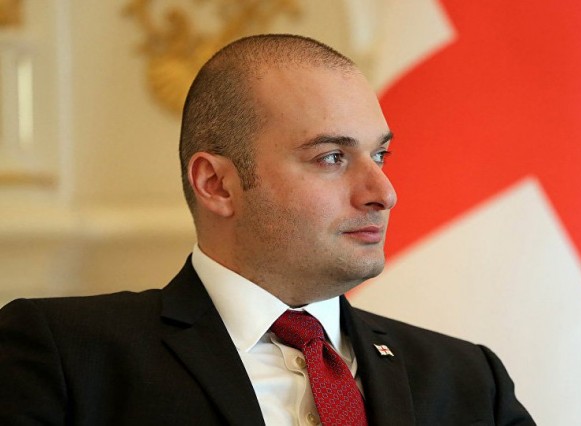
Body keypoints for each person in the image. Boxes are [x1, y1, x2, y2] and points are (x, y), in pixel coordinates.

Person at [0, 34, 535, 425]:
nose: (383, 193)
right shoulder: (64, 356)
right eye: (331, 157)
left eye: (380, 155)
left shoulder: (469, 379)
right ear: (217, 184)